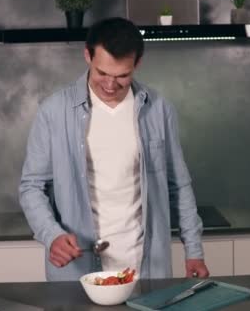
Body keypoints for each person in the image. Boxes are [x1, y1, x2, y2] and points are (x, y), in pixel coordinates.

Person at [19, 17, 209, 281]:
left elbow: (179, 184)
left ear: (137, 64)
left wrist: (194, 251)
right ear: (87, 56)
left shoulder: (158, 109)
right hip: (78, 271)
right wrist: (51, 235)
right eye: (102, 73)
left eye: (122, 76)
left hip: (146, 269)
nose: (110, 85)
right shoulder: (54, 111)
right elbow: (31, 187)